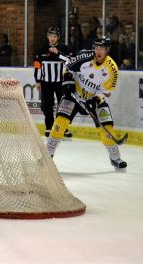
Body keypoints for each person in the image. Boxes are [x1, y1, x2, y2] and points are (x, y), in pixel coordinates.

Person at [46, 37, 127, 172]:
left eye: (101, 49)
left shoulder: (112, 69)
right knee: (60, 123)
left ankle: (115, 158)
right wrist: (68, 83)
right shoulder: (85, 57)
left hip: (94, 99)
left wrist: (95, 101)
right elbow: (68, 67)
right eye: (96, 48)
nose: (98, 51)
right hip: (74, 95)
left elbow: (105, 92)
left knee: (106, 127)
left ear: (107, 50)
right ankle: (47, 157)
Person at [33, 27, 72, 138]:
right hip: (46, 83)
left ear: (58, 37)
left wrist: (58, 52)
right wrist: (38, 81)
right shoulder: (42, 49)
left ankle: (63, 128)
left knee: (63, 106)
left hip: (61, 83)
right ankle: (49, 127)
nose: (52, 38)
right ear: (47, 37)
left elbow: (70, 60)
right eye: (51, 36)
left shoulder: (64, 48)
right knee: (46, 106)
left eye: (55, 36)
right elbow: (37, 65)